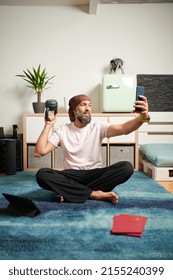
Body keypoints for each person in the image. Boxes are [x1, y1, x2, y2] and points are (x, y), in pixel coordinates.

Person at [34, 94, 149, 204]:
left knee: (126, 167)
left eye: (89, 105)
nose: (88, 108)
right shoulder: (62, 130)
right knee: (42, 174)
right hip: (71, 176)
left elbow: (125, 128)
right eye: (83, 104)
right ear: (74, 110)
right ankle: (93, 194)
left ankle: (73, 192)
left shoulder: (98, 126)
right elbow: (39, 152)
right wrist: (48, 124)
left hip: (95, 175)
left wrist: (142, 118)